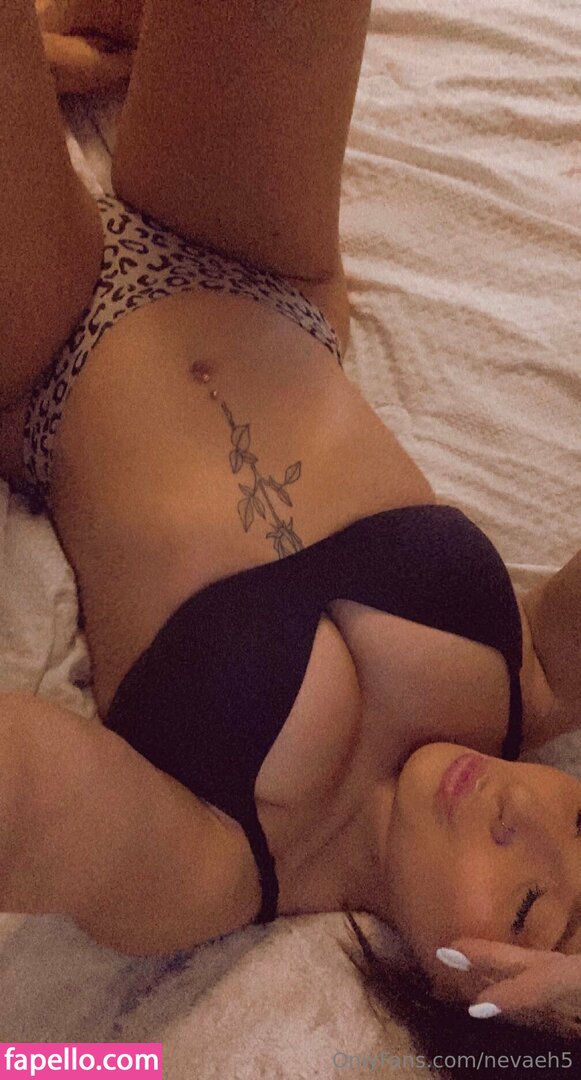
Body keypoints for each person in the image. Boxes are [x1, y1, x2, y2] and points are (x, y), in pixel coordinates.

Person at [0, 0, 579, 1042]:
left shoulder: (213, 873)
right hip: (255, 269)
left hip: (38, 355)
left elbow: (26, 797)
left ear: (473, 1003)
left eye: (532, 905)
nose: (525, 812)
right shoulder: (530, 682)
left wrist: (552, 1043)